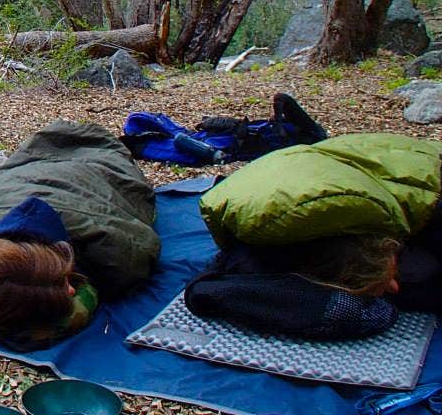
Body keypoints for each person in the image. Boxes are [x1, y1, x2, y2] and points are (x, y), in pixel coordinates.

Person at [0, 119, 160, 340]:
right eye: (66, 283)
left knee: (59, 142)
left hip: (76, 163)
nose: (72, 291)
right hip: (55, 175)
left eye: (62, 283)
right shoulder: (115, 255)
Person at [187, 132, 442, 338]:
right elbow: (208, 292)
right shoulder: (262, 247)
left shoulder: (262, 239)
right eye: (388, 280)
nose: (394, 286)